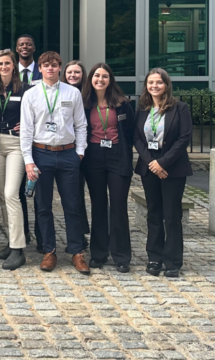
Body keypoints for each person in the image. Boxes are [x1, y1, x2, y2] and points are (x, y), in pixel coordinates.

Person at [20, 51, 90, 275]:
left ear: (60, 68)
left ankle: (77, 251)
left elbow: (81, 124)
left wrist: (79, 152)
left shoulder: (72, 93)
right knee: (43, 206)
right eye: (46, 65)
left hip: (68, 154)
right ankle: (49, 250)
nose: (50, 69)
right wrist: (28, 161)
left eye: (54, 65)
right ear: (39, 68)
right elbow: (26, 131)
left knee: (72, 204)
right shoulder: (31, 95)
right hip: (41, 155)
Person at [134, 68, 193, 278]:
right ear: (146, 86)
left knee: (172, 215)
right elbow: (138, 139)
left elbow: (183, 138)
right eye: (151, 82)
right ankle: (154, 257)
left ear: (166, 85)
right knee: (154, 214)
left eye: (159, 82)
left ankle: (173, 260)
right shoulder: (143, 109)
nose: (154, 86)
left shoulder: (180, 108)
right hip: (150, 168)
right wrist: (152, 163)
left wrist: (163, 163)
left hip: (173, 169)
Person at [80, 63, 136, 273]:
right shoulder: (84, 104)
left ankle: (121, 256)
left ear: (110, 80)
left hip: (117, 156)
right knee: (98, 206)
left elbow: (130, 132)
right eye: (96, 76)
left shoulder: (122, 105)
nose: (100, 80)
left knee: (119, 206)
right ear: (91, 79)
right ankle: (99, 253)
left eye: (105, 76)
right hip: (93, 156)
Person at [0, 49, 36, 271]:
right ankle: (12, 240)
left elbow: (36, 113)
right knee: (2, 196)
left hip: (16, 145)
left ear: (14, 66)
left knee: (11, 193)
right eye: (0, 63)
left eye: (7, 63)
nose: (3, 66)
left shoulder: (26, 89)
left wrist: (28, 125)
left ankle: (18, 249)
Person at [63, 60, 91, 248]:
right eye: (69, 72)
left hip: (91, 150)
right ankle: (80, 234)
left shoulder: (91, 95)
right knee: (76, 194)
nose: (73, 75)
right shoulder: (62, 93)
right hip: (71, 151)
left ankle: (102, 235)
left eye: (77, 72)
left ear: (83, 75)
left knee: (96, 194)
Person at [13, 35, 35, 244]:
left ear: (33, 47)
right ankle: (25, 232)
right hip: (18, 140)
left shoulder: (42, 72)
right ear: (16, 49)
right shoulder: (11, 75)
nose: (25, 47)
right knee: (19, 190)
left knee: (41, 191)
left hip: (41, 140)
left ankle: (44, 237)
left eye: (28, 44)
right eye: (21, 44)